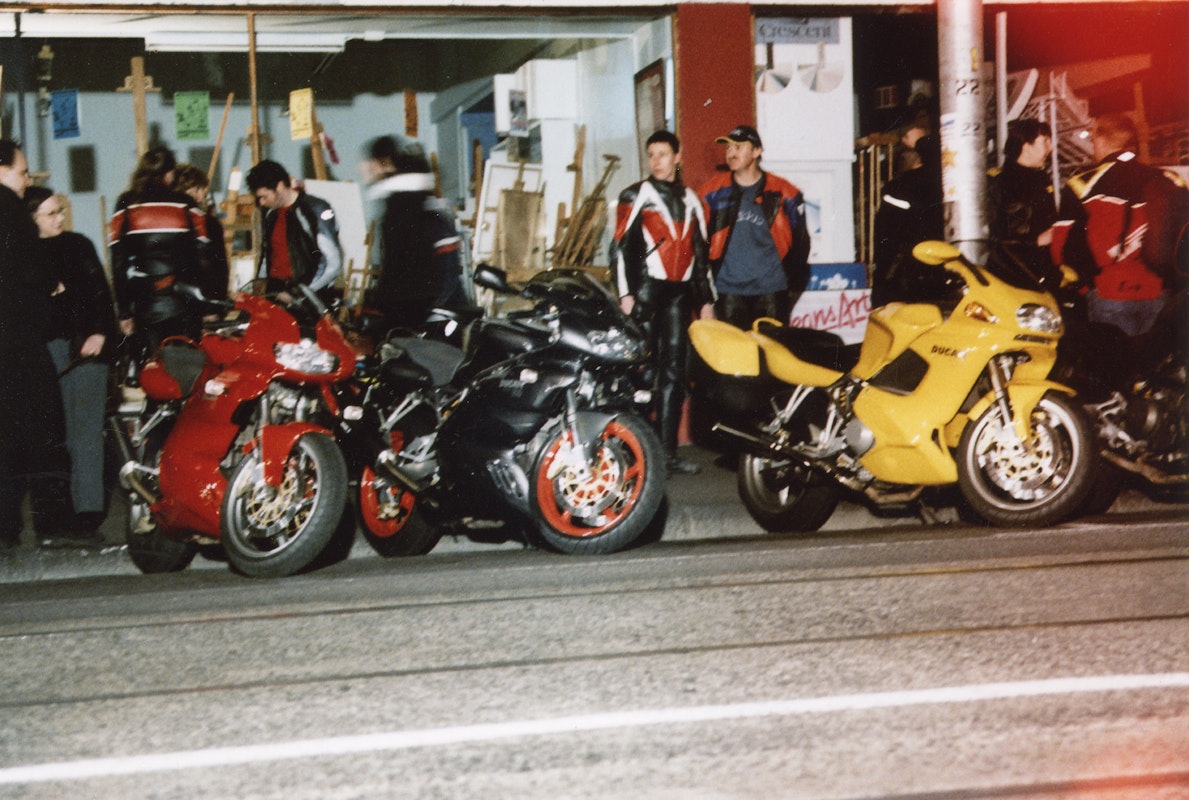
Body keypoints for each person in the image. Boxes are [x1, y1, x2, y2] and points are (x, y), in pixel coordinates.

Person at [613, 130, 714, 476]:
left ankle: (667, 455)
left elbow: (701, 257)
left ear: (677, 156)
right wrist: (626, 295)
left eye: (663, 154)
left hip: (678, 296)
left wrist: (706, 303)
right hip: (645, 294)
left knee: (674, 373)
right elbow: (620, 248)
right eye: (651, 154)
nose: (656, 160)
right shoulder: (634, 194)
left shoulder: (692, 201)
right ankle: (633, 455)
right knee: (640, 373)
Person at [0, 141, 83, 550]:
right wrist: (51, 287)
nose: (27, 179)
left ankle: (6, 527)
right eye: (22, 172)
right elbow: (29, 274)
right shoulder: (12, 214)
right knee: (44, 430)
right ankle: (54, 522)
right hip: (19, 342)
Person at [27, 186, 118, 535]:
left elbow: (99, 295)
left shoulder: (79, 245)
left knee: (86, 435)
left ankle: (88, 513)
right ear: (32, 220)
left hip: (83, 350)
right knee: (52, 437)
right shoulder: (25, 254)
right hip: (45, 351)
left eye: (60, 210)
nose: (60, 218)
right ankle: (52, 519)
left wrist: (99, 333)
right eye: (50, 214)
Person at [1052, 113, 1189, 339]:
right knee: (1154, 369)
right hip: (1160, 295)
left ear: (1101, 140)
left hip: (1108, 294)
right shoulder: (1169, 179)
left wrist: (1085, 289)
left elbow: (1060, 247)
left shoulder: (1081, 184)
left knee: (1117, 369)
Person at [699, 124, 811, 330]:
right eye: (728, 148)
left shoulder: (785, 192)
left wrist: (789, 285)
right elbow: (699, 247)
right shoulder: (711, 194)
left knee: (772, 356)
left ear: (757, 151)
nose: (731, 153)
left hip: (772, 291)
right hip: (729, 291)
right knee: (734, 359)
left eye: (738, 147)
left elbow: (801, 243)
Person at [109, 145, 210, 351]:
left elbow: (118, 263)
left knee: (154, 372)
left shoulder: (126, 204)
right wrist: (207, 307)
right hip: (184, 304)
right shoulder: (187, 204)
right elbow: (203, 258)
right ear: (169, 172)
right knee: (187, 371)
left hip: (145, 303)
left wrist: (124, 311)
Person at [364, 136, 469, 332]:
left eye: (371, 162)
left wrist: (436, 311)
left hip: (429, 317)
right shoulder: (395, 208)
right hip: (413, 312)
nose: (364, 167)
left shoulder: (417, 213)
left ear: (386, 164)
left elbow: (448, 271)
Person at [246, 159, 343, 302]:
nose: (261, 203)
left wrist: (297, 293)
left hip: (307, 299)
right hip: (277, 295)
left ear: (279, 186)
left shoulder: (315, 209)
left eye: (264, 196)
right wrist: (260, 282)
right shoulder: (271, 215)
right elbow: (268, 256)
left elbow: (332, 263)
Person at [869, 133, 945, 308]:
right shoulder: (941, 182)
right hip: (930, 273)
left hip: (903, 277)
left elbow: (886, 240)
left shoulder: (899, 187)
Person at [987, 119, 1062, 288]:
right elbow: (990, 238)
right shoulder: (997, 183)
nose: (1050, 148)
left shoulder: (1042, 181)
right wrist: (1036, 241)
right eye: (1045, 142)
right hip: (1011, 279)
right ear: (1026, 146)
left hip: (1044, 277)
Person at [171, 163, 230, 303]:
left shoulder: (210, 224)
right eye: (196, 191)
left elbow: (218, 270)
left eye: (203, 190)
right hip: (191, 302)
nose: (202, 196)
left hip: (193, 303)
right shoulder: (208, 223)